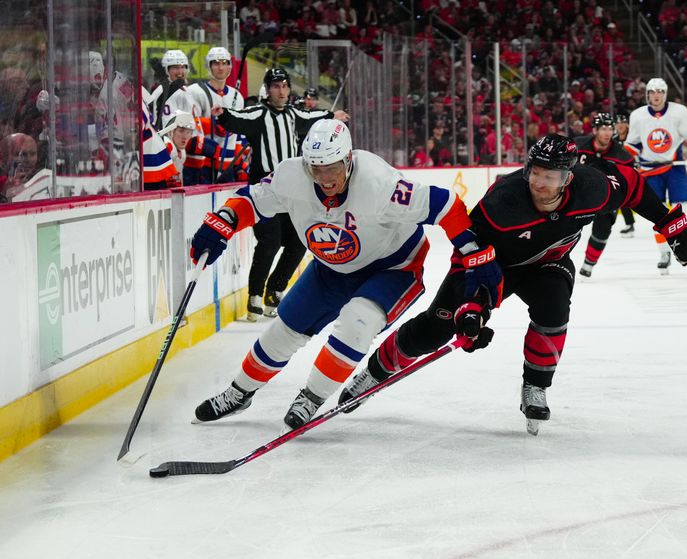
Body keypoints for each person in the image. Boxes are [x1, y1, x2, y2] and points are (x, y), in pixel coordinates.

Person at [339, 134, 687, 436]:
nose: (539, 183)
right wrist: (474, 306)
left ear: (569, 178)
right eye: (535, 172)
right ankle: (373, 374)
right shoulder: (504, 202)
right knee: (436, 328)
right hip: (488, 264)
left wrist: (672, 226)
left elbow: (635, 186)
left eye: (550, 176)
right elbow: (472, 253)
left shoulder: (593, 188)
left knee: (554, 308)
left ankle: (536, 387)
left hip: (549, 264)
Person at [187, 119, 502, 430]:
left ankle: (311, 397)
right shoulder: (291, 176)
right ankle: (239, 392)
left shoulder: (380, 184)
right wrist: (223, 221)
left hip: (393, 266)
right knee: (284, 330)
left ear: (349, 160)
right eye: (316, 168)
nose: (324, 177)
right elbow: (251, 200)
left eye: (332, 167)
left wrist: (472, 251)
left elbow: (445, 205)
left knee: (356, 322)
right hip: (332, 268)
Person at [212, 67, 349, 320]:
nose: (282, 90)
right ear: (267, 89)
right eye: (276, 86)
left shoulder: (293, 114)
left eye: (285, 86)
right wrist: (223, 115)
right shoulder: (258, 114)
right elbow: (237, 118)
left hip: (291, 189)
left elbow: (314, 116)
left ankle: (274, 290)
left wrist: (333, 115)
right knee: (270, 241)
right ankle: (255, 294)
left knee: (299, 241)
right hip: (265, 189)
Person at [624, 78, 687, 273]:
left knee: (685, 209)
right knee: (659, 214)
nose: (656, 95)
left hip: (674, 168)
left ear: (665, 93)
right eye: (652, 91)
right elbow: (633, 144)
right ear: (647, 94)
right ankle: (664, 252)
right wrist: (627, 160)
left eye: (660, 91)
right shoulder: (637, 116)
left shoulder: (679, 112)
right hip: (650, 170)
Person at [576, 113, 636, 278]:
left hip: (606, 198)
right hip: (578, 195)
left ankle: (588, 264)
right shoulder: (578, 145)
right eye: (603, 128)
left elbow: (630, 179)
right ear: (595, 130)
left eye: (610, 128)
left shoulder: (621, 155)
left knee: (602, 231)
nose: (607, 132)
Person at [186, 47, 249, 184]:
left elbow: (238, 135)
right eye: (216, 63)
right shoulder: (195, 92)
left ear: (229, 67)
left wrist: (239, 165)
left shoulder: (237, 97)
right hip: (203, 165)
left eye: (224, 63)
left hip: (228, 166)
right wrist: (213, 124)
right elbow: (188, 125)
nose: (220, 67)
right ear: (209, 66)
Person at [159, 111, 222, 187]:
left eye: (188, 132)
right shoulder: (167, 145)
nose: (185, 137)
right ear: (171, 131)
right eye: (181, 131)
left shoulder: (182, 153)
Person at [150, 49, 194, 129]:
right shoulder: (162, 91)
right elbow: (168, 125)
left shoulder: (186, 90)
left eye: (183, 67)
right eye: (176, 68)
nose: (180, 72)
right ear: (167, 70)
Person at [613, 111, 637, 237]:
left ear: (627, 125)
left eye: (623, 122)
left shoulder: (633, 139)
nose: (620, 125)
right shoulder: (613, 141)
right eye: (617, 123)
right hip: (622, 175)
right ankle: (629, 224)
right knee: (621, 197)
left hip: (638, 173)